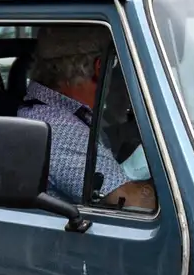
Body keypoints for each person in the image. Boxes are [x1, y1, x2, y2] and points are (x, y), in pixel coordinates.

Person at [17, 27, 155, 211]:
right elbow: (134, 203)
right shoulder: (61, 130)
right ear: (100, 67)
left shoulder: (46, 112)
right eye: (115, 65)